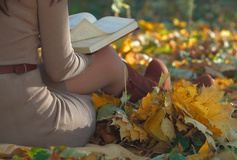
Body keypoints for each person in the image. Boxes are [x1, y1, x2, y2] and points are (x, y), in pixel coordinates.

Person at [0, 0, 214, 148]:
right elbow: (60, 69)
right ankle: (158, 98)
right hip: (28, 122)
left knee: (105, 61)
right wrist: (89, 56)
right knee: (106, 61)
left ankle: (151, 91)